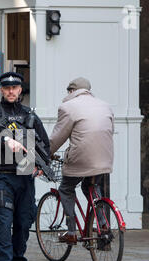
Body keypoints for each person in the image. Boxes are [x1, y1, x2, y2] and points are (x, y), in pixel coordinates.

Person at [0, 71, 50, 261]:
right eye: (7, 88)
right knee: (4, 225)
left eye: (15, 88)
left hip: (26, 179)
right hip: (3, 177)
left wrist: (40, 166)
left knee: (22, 224)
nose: (11, 91)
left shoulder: (30, 115)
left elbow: (44, 145)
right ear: (1, 90)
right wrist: (5, 141)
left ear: (20, 90)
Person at [49, 77, 114, 244]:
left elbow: (57, 138)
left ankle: (71, 231)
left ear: (71, 91)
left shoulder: (67, 107)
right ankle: (103, 225)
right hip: (105, 158)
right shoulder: (105, 105)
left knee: (66, 188)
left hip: (81, 158)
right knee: (91, 186)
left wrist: (45, 153)